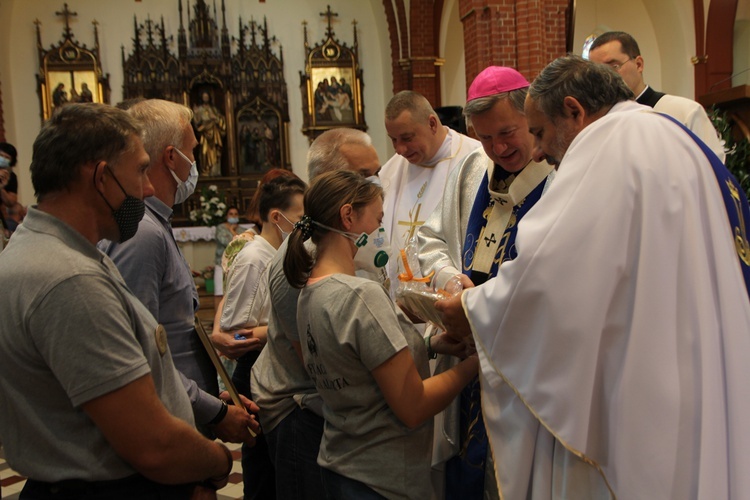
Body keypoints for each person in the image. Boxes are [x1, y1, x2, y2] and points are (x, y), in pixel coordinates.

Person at [436, 54, 750, 498]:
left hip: (643, 380)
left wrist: (471, 309)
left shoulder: (608, 147)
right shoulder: (677, 138)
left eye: (539, 132)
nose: (539, 150)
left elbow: (551, 274)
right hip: (704, 359)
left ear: (575, 110)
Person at [0, 102, 236, 498]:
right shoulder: (70, 279)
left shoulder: (51, 250)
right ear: (102, 177)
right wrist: (218, 463)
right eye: (141, 170)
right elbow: (154, 446)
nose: (147, 189)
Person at [283, 169, 479, 500]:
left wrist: (430, 344)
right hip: (381, 478)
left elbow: (357, 365)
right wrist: (476, 362)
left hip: (340, 464)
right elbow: (413, 405)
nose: (380, 232)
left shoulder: (310, 291)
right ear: (348, 216)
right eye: (378, 220)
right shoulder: (360, 295)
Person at [417, 66, 554, 500]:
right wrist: (454, 285)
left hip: (527, 366)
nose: (497, 148)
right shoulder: (477, 174)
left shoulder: (559, 180)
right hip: (474, 351)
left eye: (508, 133)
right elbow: (437, 241)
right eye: (486, 139)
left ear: (532, 118)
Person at [99, 99, 258, 445]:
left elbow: (169, 330)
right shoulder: (141, 232)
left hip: (184, 409)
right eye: (193, 149)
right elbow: (136, 352)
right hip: (166, 426)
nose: (197, 160)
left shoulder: (155, 222)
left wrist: (213, 397)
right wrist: (212, 412)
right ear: (172, 157)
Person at [239, 129, 380, 500]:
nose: (376, 185)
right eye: (363, 176)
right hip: (298, 408)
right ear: (328, 184)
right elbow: (318, 360)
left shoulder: (344, 237)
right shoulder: (301, 256)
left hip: (324, 406)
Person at [215, 174, 306, 500]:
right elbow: (233, 334)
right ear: (276, 217)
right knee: (264, 470)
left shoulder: (278, 251)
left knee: (273, 465)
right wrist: (280, 328)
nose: (304, 226)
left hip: (274, 366)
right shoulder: (256, 258)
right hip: (256, 370)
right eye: (300, 219)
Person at [381, 90, 480, 296]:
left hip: (453, 294)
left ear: (432, 124)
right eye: (393, 140)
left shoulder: (475, 160)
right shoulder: (391, 171)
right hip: (401, 300)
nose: (399, 149)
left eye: (407, 138)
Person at [587, 30, 725, 162]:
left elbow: (713, 170)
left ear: (639, 64)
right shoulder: (598, 123)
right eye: (596, 73)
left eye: (613, 67)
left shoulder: (685, 112)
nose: (605, 78)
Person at [193, 91, 226, 176]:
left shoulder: (214, 109)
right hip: (204, 135)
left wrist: (215, 117)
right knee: (204, 153)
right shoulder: (200, 109)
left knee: (215, 153)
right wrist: (196, 114)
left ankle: (215, 171)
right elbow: (197, 124)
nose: (205, 98)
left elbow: (221, 121)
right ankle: (205, 171)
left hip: (214, 134)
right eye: (204, 97)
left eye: (207, 97)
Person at [213, 205, 240, 308]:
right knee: (219, 292)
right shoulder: (220, 228)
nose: (233, 216)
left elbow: (242, 244)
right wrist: (233, 232)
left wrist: (233, 231)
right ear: (227, 216)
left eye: (235, 214)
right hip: (221, 264)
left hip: (237, 264)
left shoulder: (242, 229)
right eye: (231, 214)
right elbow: (227, 242)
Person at [0, 142, 25, 236]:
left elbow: (11, 202)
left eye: (6, 157)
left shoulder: (11, 177)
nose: (3, 159)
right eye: (1, 155)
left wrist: (1, 188)